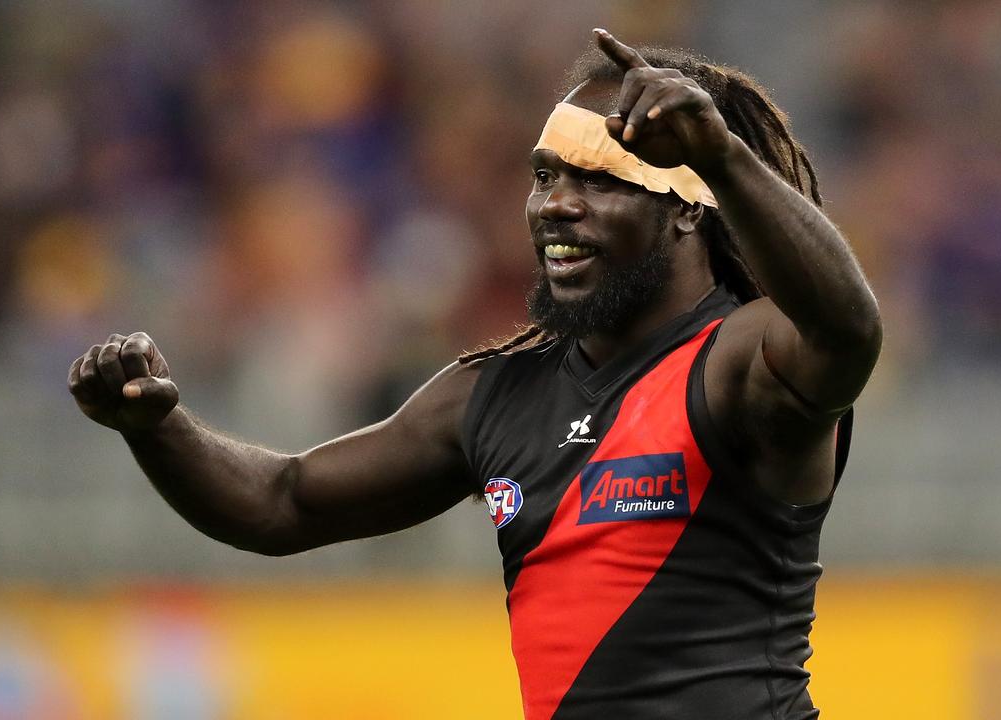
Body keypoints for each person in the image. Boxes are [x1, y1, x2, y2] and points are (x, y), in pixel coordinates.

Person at [68, 28, 881, 720]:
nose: (555, 204)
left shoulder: (738, 361)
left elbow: (846, 330)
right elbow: (283, 501)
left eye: (598, 179)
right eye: (544, 175)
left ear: (686, 206)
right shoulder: (495, 391)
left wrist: (725, 157)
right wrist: (156, 427)